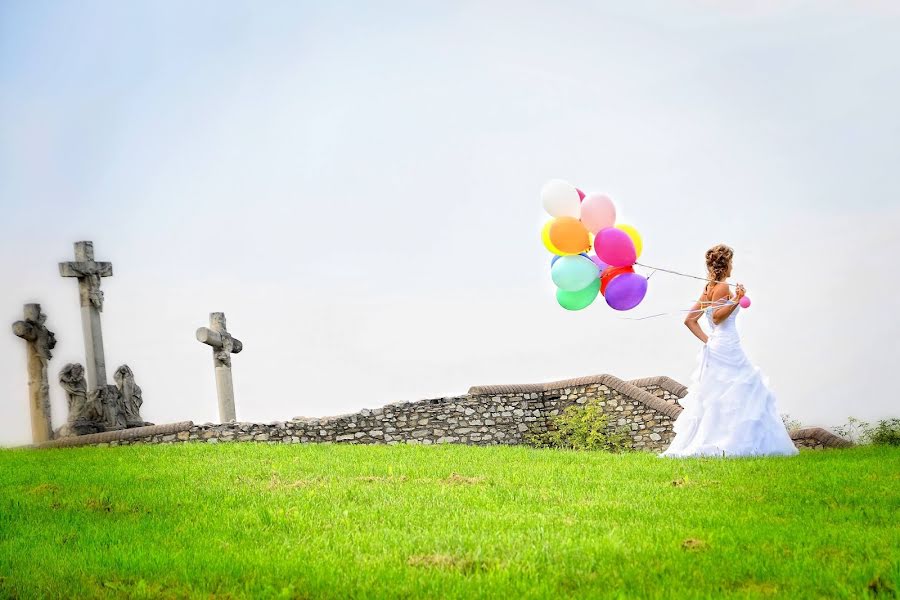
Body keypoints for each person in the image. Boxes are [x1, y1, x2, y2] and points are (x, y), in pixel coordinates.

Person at [660, 244, 799, 458]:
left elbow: (690, 320)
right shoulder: (723, 287)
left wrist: (709, 341)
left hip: (718, 345)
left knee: (721, 395)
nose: (733, 266)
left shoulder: (707, 289)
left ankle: (723, 440)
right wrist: (736, 300)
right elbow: (716, 317)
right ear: (726, 265)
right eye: (731, 262)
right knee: (742, 390)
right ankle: (732, 444)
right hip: (726, 346)